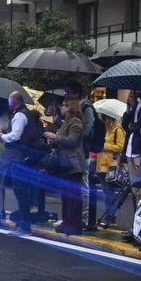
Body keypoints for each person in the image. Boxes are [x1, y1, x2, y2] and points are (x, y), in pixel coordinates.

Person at [0, 92, 45, 232]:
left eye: (9, 102)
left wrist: (3, 137)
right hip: (26, 157)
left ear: (13, 102)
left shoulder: (19, 115)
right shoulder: (27, 114)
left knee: (20, 191)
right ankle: (22, 222)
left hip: (19, 158)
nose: (9, 105)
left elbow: (16, 135)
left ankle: (24, 224)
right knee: (23, 190)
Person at [47, 99, 87, 234]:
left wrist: (55, 137)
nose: (61, 107)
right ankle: (67, 222)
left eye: (63, 105)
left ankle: (74, 225)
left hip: (73, 163)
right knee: (66, 195)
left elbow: (72, 140)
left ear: (70, 108)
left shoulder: (75, 122)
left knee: (73, 196)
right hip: (66, 164)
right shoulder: (66, 123)